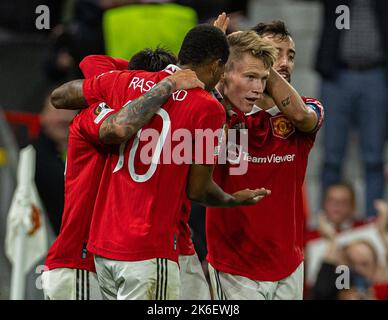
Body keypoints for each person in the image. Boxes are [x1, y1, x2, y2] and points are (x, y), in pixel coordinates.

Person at [50, 24, 269, 300]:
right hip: (149, 249)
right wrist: (233, 200)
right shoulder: (207, 108)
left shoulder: (127, 82)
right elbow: (198, 190)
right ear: (216, 66)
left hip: (105, 250)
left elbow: (61, 95)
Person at [42, 48, 199, 300]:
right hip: (81, 262)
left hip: (111, 261)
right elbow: (91, 62)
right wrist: (161, 79)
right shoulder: (98, 113)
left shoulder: (158, 128)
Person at [206, 20, 324, 300]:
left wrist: (259, 60)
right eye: (274, 53)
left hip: (288, 263)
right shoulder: (219, 112)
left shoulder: (309, 108)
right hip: (234, 263)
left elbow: (300, 117)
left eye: (290, 55)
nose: (284, 62)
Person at [317, 0, 388, 217]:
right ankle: (328, 224)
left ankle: (374, 223)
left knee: (374, 159)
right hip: (337, 75)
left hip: (375, 75)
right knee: (332, 159)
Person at [32, 93, 77, 235]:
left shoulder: (93, 156)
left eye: (70, 110)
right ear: (42, 116)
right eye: (57, 110)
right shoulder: (31, 158)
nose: (63, 118)